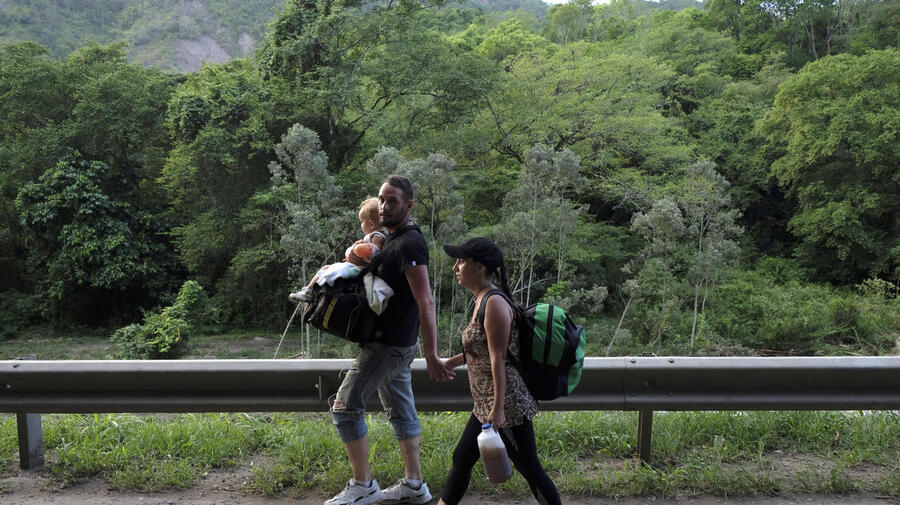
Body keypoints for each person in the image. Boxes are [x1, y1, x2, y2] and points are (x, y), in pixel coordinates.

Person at [325, 175, 453, 505]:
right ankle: (414, 485)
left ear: (409, 205)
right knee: (401, 412)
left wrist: (433, 354)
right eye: (381, 199)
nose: (384, 206)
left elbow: (425, 301)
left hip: (388, 345)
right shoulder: (393, 239)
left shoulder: (410, 244)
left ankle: (363, 486)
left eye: (392, 200)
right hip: (393, 343)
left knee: (344, 407)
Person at [437, 237, 562, 505]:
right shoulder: (481, 299)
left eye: (461, 261)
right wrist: (453, 361)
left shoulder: (493, 303)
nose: (455, 267)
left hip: (506, 405)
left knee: (530, 470)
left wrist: (498, 410)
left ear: (479, 267)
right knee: (462, 458)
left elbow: (499, 358)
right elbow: (482, 350)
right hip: (486, 402)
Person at [290, 198, 388, 303]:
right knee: (326, 267)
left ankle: (309, 292)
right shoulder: (381, 234)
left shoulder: (377, 236)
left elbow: (375, 253)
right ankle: (309, 290)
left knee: (327, 269)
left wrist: (356, 249)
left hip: (361, 269)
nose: (361, 225)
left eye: (362, 222)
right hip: (360, 267)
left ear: (371, 224)